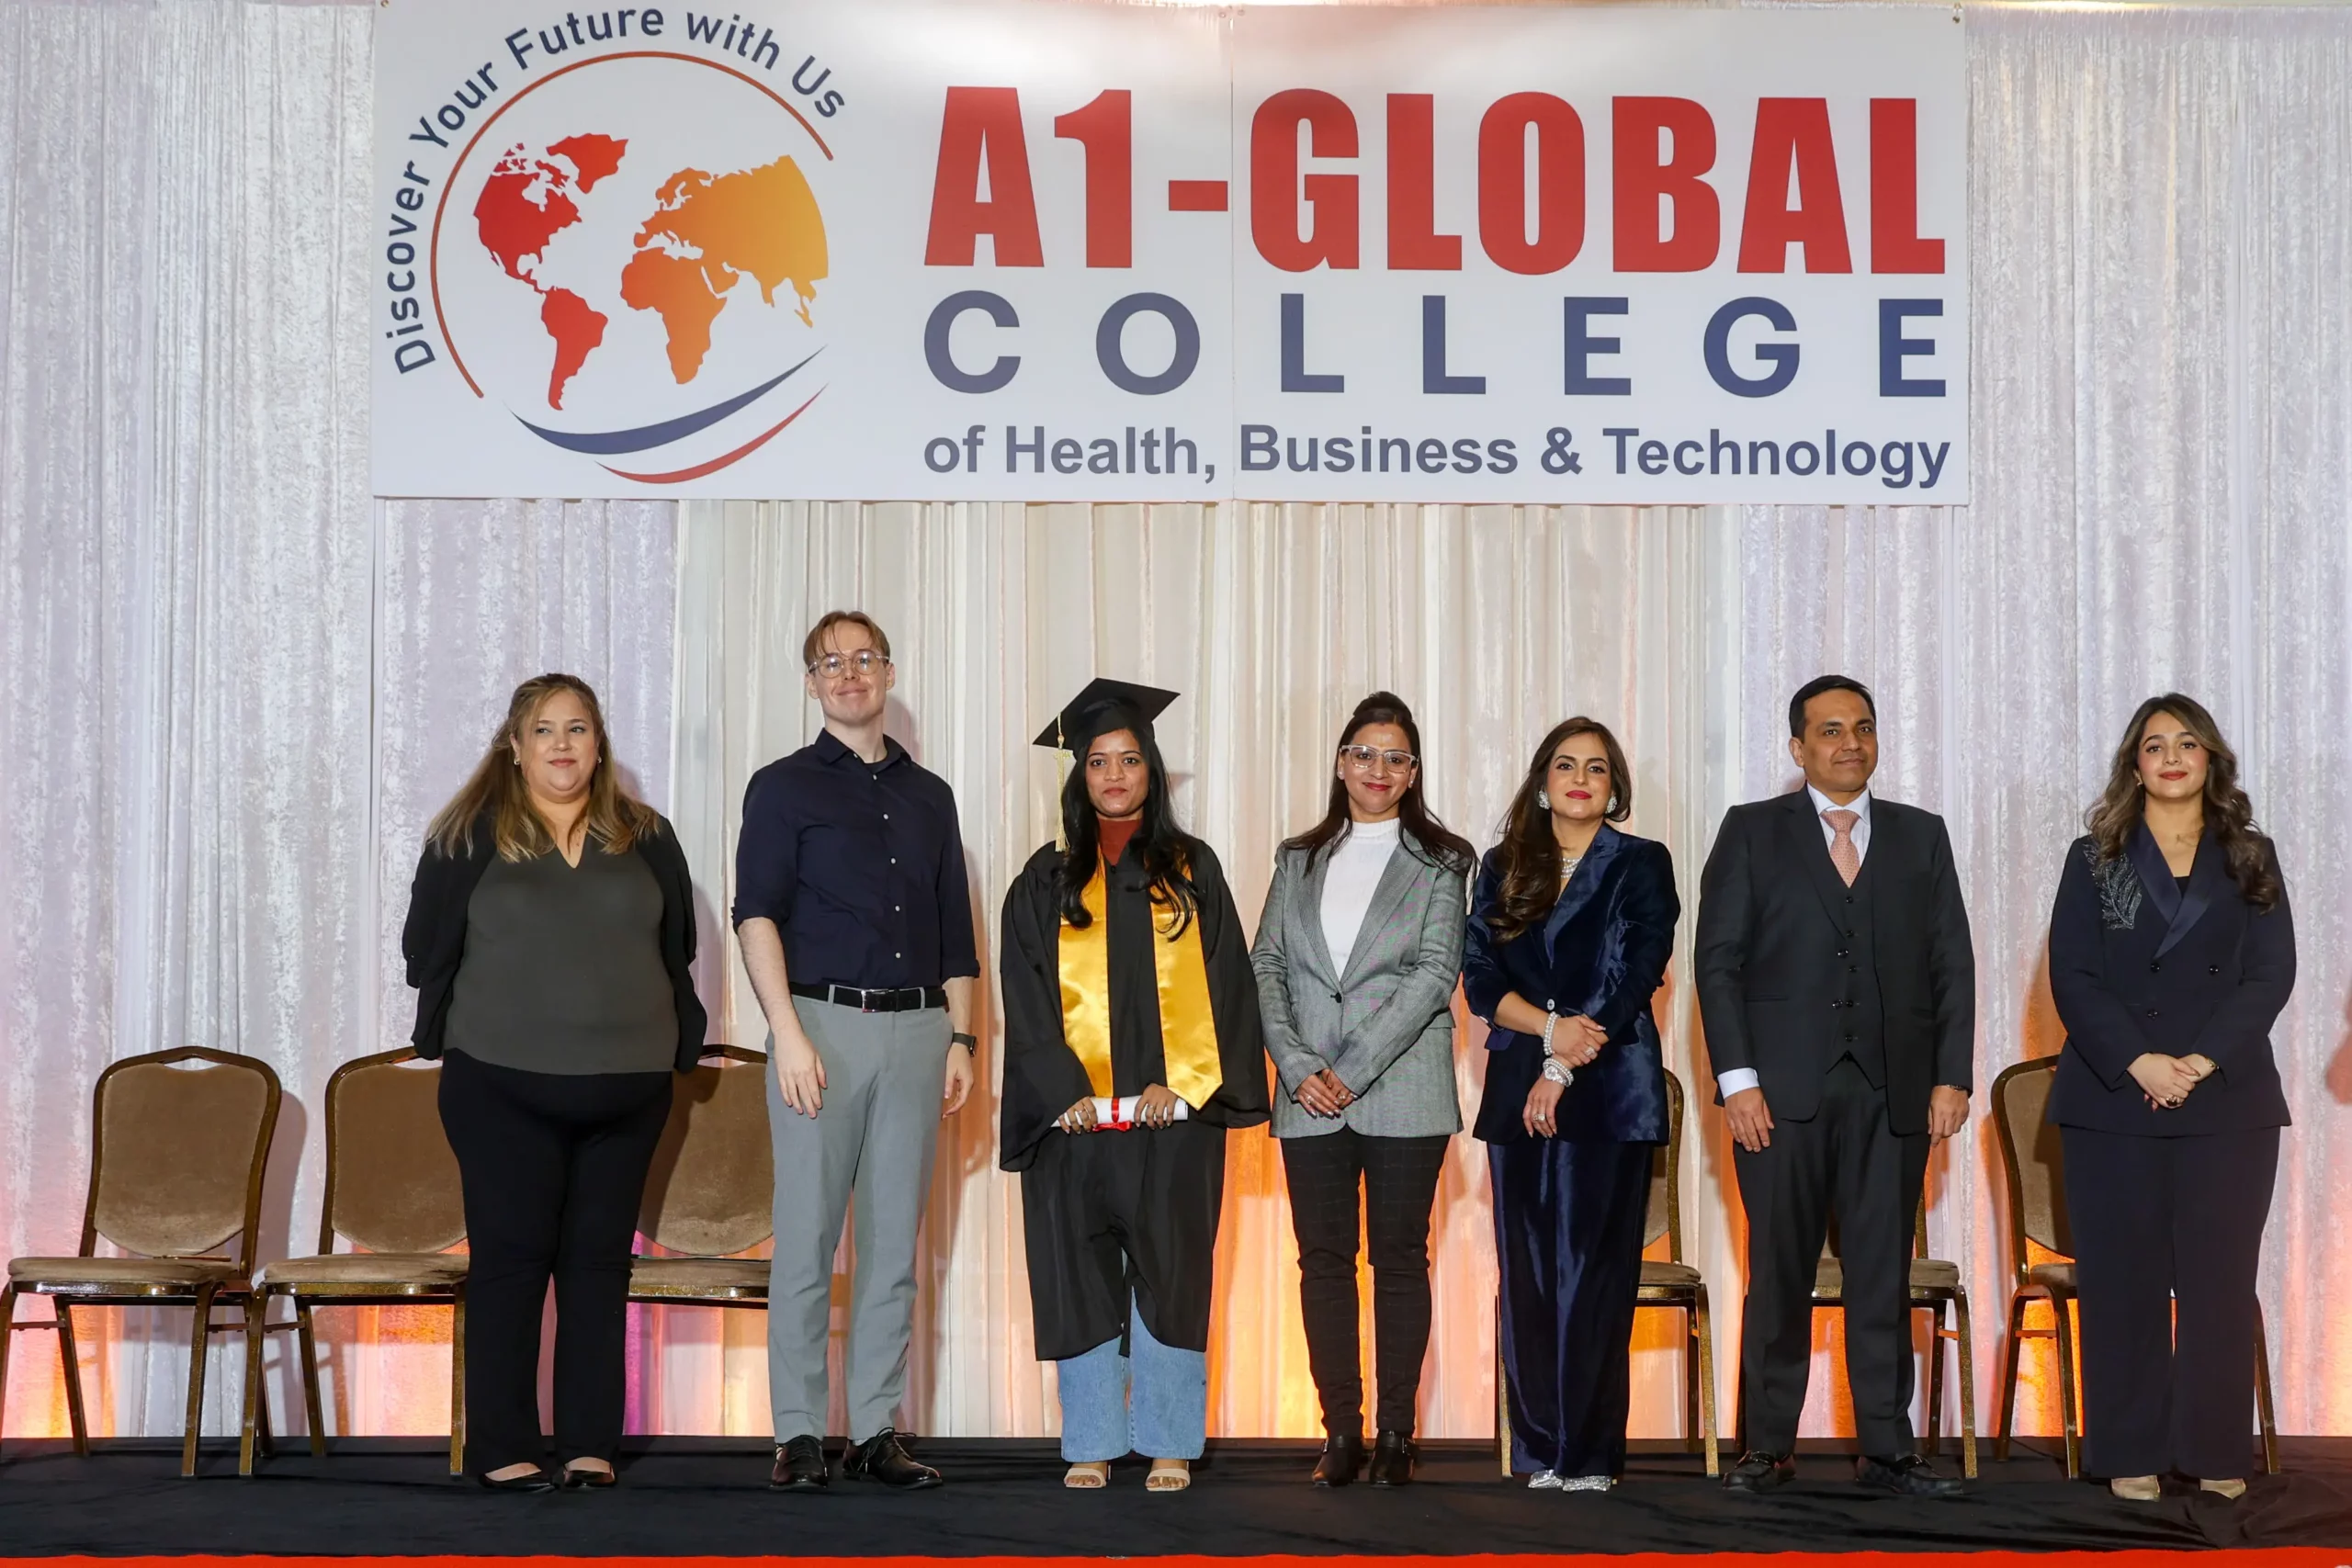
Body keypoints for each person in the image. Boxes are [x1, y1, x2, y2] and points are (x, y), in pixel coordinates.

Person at [402, 673, 707, 1493]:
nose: (562, 744)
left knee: (598, 1266)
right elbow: (423, 947)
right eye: (544, 729)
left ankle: (588, 1445)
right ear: (515, 745)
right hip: (499, 1088)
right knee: (510, 1262)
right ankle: (502, 1445)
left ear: (599, 744)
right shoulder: (467, 836)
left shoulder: (648, 835)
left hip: (629, 1092)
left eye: (577, 728)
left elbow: (676, 944)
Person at [1695, 675, 1973, 1497]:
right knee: (1778, 1268)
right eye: (1829, 730)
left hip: (1894, 1093)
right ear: (1798, 746)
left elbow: (1952, 963)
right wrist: (1738, 1080)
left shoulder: (1922, 836)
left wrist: (1951, 1074)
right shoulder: (1751, 830)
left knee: (1882, 1273)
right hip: (1776, 1097)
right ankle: (1767, 1444)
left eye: (1863, 727)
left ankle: (1888, 1448)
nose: (1849, 742)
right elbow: (1718, 962)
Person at [1000, 680, 1270, 1493]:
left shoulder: (1192, 870)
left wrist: (1182, 1085)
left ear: (1150, 768)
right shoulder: (1045, 879)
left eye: (1128, 758)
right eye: (1097, 761)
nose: (1114, 774)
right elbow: (1026, 994)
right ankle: (1091, 1437)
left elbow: (1228, 985)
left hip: (1172, 1123)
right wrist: (1063, 1091)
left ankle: (1168, 1441)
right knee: (1076, 1273)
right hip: (1073, 1124)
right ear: (1079, 774)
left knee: (1173, 1273)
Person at [734, 611, 980, 1492]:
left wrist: (961, 1037)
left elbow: (956, 934)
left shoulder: (931, 796)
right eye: (830, 662)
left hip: (919, 1033)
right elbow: (755, 914)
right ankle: (799, 1432)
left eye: (864, 658)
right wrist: (788, 1035)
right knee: (807, 1239)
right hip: (821, 1028)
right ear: (812, 682)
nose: (849, 672)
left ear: (889, 672)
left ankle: (873, 1427)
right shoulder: (781, 787)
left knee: (891, 1247)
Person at [2046, 694, 2293, 1502]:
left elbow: (2272, 973)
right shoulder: (2095, 858)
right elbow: (2073, 976)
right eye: (2156, 745)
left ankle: (2216, 1448)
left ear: (2210, 757)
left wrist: (2200, 1060)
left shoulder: (2250, 854)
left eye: (2188, 742)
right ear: (2135, 764)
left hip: (2229, 1099)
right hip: (2113, 1099)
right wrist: (2140, 1062)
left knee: (2221, 1281)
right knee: (2124, 1282)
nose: (2173, 757)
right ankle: (2130, 1450)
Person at [1252, 693, 1475, 1488]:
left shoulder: (1444, 861)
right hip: (1305, 1091)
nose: (1379, 768)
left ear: (1413, 772)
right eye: (1364, 752)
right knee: (1322, 1262)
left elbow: (1434, 975)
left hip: (1403, 1088)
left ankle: (1396, 1434)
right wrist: (1297, 1064)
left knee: (1400, 1259)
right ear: (1341, 761)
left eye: (1396, 757)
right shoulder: (1297, 857)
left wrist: (1348, 1071)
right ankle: (1340, 1431)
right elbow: (1267, 964)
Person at [1464, 717, 1678, 1492]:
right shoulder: (1502, 865)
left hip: (1610, 1086)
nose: (1580, 778)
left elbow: (1637, 972)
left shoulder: (1642, 861)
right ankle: (1539, 1448)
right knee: (1526, 1271)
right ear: (1542, 780)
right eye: (1565, 764)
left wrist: (1565, 1055)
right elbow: (1481, 979)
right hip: (1517, 1083)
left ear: (1614, 787)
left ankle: (1587, 1453)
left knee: (1592, 1273)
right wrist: (1547, 1032)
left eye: (1596, 767)